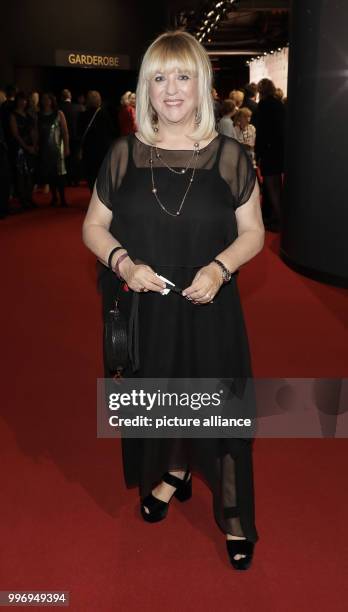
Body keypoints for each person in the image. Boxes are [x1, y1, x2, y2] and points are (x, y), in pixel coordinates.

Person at [82, 30, 264, 570]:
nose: (171, 88)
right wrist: (124, 265)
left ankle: (234, 514)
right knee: (160, 401)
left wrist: (220, 266)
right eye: (159, 77)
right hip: (147, 305)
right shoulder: (123, 155)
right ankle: (175, 470)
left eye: (182, 75)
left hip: (211, 302)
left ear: (202, 83)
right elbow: (93, 227)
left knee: (222, 412)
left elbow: (253, 232)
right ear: (146, 88)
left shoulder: (230, 157)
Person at [255, 78, 285, 232]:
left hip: (268, 150)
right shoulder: (279, 104)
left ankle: (279, 221)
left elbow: (262, 132)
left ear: (261, 91)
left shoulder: (264, 105)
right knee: (277, 186)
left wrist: (257, 153)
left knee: (271, 186)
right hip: (279, 150)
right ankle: (278, 217)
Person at [37, 92, 70, 206]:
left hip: (57, 147)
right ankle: (54, 197)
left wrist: (66, 147)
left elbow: (65, 132)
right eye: (44, 99)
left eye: (48, 99)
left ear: (52, 101)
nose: (46, 101)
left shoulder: (58, 113)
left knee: (60, 175)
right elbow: (37, 133)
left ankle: (62, 198)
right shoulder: (39, 115)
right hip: (45, 148)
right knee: (50, 174)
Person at [78, 90, 114, 191]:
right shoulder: (105, 115)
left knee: (91, 176)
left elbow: (79, 132)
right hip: (103, 150)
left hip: (88, 150)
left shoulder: (83, 115)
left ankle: (93, 196)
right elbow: (112, 131)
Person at [9, 92, 38, 209]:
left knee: (30, 174)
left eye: (25, 100)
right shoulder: (13, 115)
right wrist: (26, 147)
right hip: (19, 149)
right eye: (21, 100)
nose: (23, 102)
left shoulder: (28, 115)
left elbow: (33, 131)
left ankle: (29, 197)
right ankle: (23, 200)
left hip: (30, 147)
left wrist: (35, 145)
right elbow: (15, 134)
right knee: (21, 175)